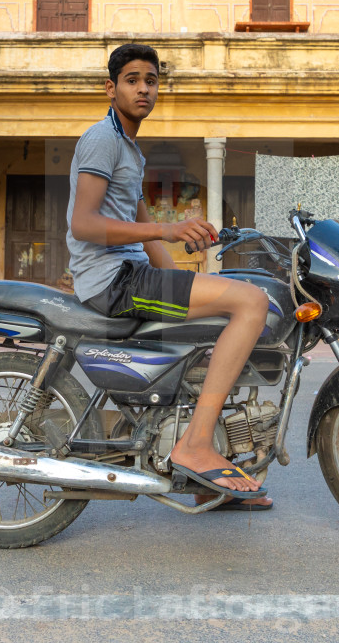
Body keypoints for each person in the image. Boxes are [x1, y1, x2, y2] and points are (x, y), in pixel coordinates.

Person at [66, 43, 272, 509]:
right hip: (112, 280)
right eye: (133, 79)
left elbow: (143, 232)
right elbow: (83, 223)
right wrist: (169, 226)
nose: (144, 88)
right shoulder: (102, 138)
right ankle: (196, 444)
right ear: (111, 87)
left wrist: (181, 272)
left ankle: (206, 481)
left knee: (212, 325)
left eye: (151, 80)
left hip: (130, 271)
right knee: (251, 302)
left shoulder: (129, 150)